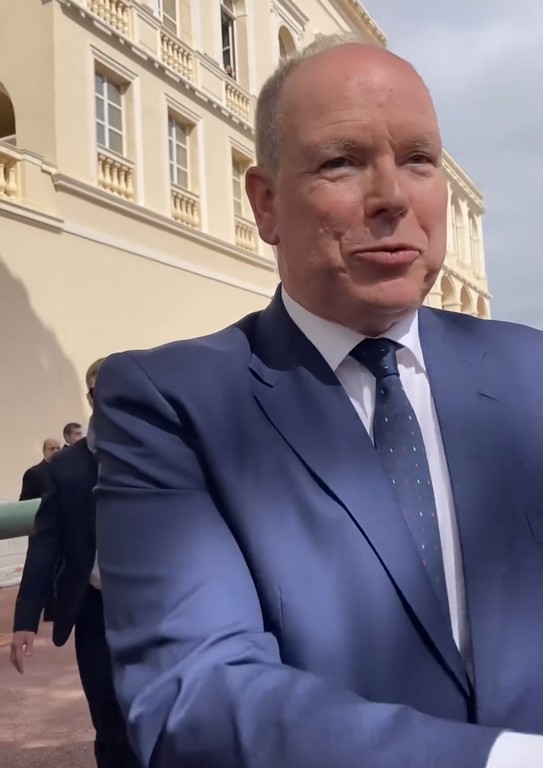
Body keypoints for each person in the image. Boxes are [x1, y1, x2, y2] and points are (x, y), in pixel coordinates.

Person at [93, 35, 543, 768]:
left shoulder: (531, 369)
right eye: (342, 161)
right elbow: (195, 695)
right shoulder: (169, 405)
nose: (392, 197)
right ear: (266, 204)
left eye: (419, 159)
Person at [11, 359, 139, 768]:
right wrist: (25, 619)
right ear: (90, 397)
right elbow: (46, 541)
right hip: (95, 609)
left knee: (161, 708)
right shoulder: (66, 466)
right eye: (102, 390)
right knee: (108, 717)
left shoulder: (159, 450)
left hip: (155, 604)